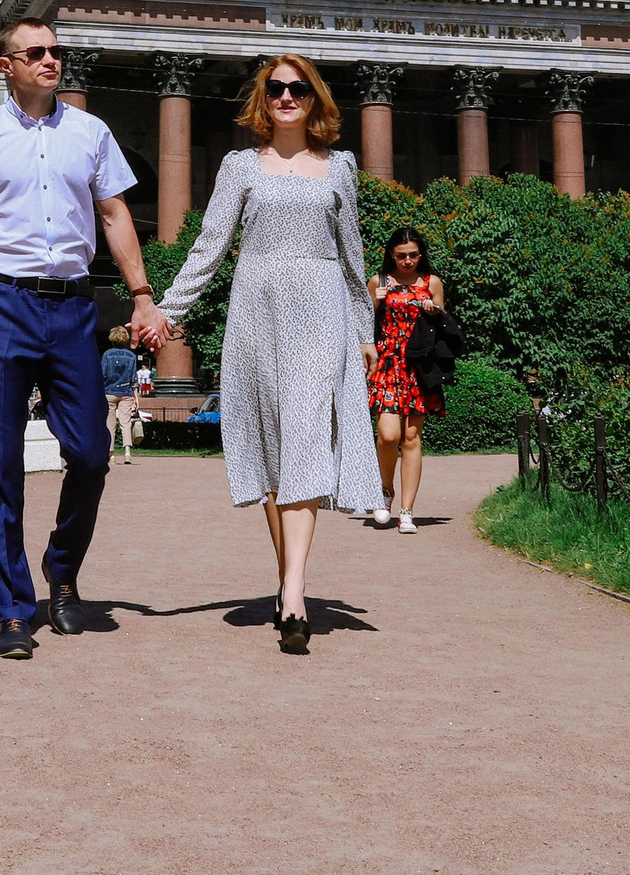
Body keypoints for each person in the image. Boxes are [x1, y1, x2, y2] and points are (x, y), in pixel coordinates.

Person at [0, 16, 161, 660]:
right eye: (36, 52)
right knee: (0, 462)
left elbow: (114, 214)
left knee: (89, 451)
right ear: (6, 64)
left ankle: (62, 570)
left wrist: (142, 295)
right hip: (1, 302)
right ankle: (12, 610)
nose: (51, 60)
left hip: (73, 306)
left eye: (57, 51)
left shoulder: (91, 133)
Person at [155, 53, 383, 656]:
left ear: (316, 100)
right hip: (256, 313)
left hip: (321, 311)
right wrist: (167, 313)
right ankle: (291, 579)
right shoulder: (237, 166)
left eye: (299, 89)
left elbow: (355, 257)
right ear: (264, 98)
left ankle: (293, 594)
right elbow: (210, 246)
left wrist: (365, 332)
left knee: (307, 438)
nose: (287, 97)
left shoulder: (339, 168)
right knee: (273, 457)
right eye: (276, 88)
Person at [367, 226, 461, 534]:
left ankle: (407, 511)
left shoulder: (431, 282)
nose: (408, 261)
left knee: (411, 438)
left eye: (413, 255)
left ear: (421, 255)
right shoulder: (378, 282)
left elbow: (445, 325)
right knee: (388, 435)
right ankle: (384, 488)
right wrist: (375, 304)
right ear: (391, 255)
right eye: (401, 256)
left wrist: (434, 310)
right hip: (388, 363)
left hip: (420, 365)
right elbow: (363, 326)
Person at [102, 326, 140, 467]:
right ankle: (127, 452)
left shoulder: (107, 354)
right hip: (126, 393)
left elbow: (102, 374)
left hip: (109, 392)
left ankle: (111, 454)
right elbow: (133, 378)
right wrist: (136, 397)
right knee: (126, 423)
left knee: (109, 424)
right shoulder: (131, 356)